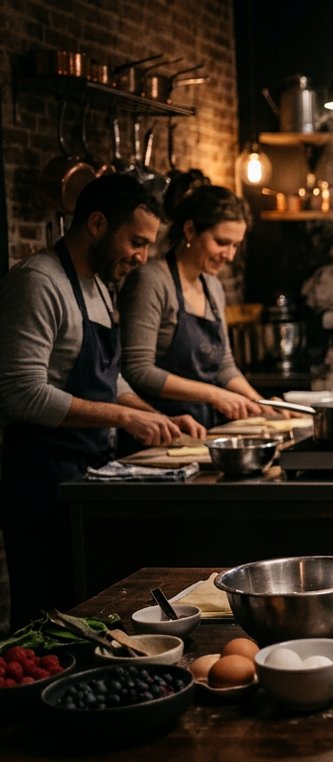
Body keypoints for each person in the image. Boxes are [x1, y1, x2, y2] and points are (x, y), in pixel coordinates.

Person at [0, 174, 206, 623]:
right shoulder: (38, 282)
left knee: (92, 614)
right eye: (136, 241)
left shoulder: (97, 287)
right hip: (41, 484)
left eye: (149, 245)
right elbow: (20, 394)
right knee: (48, 623)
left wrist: (157, 418)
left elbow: (108, 381)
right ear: (96, 223)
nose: (143, 256)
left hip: (86, 481)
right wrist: (123, 420)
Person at [119, 184, 267, 428]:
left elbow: (224, 366)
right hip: (158, 429)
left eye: (235, 245)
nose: (229, 255)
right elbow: (138, 370)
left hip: (203, 429)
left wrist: (260, 403)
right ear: (189, 230)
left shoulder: (213, 286)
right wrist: (213, 394)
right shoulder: (151, 281)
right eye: (222, 242)